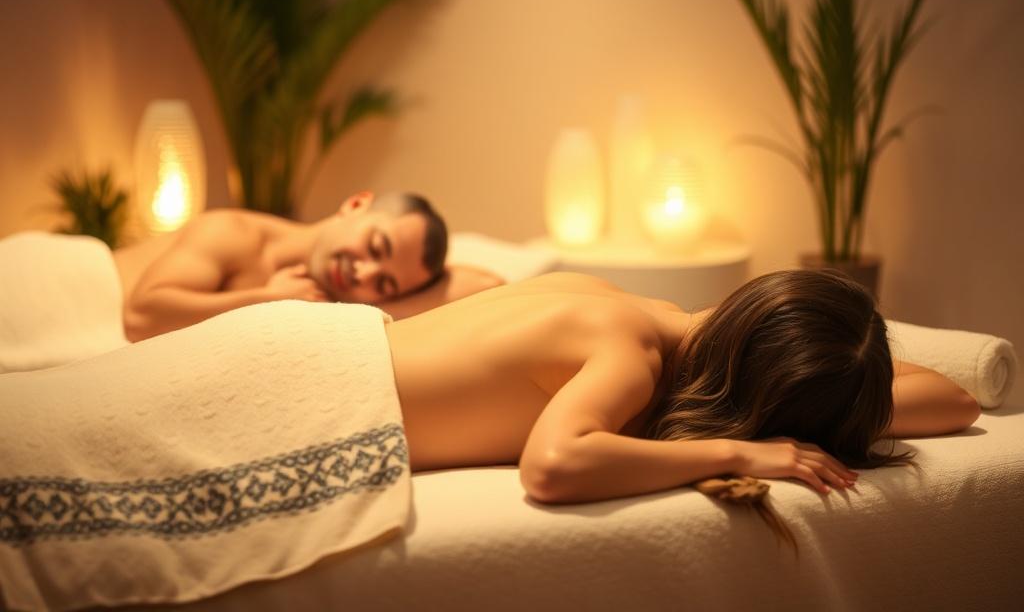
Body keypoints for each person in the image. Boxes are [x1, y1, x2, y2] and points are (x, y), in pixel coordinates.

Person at [385, 269, 980, 504]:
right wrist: (742, 449)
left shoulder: (643, 310)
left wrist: (839, 362)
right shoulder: (631, 353)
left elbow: (956, 401)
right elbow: (551, 466)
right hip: (322, 380)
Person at [114, 190, 502, 342]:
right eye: (374, 246)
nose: (363, 273)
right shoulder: (233, 234)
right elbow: (140, 316)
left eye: (384, 284)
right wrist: (266, 300)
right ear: (353, 204)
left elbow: (487, 286)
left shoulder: (324, 304)